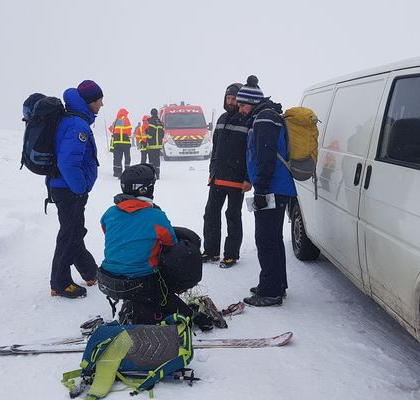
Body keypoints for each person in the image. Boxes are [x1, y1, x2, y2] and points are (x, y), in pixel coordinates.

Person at [97, 164, 211, 329]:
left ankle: (135, 306)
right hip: (138, 284)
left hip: (106, 279)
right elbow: (171, 244)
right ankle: (187, 314)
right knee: (169, 269)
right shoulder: (156, 217)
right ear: (147, 189)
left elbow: (109, 232)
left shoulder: (109, 213)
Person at [237, 75, 296, 307]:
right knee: (272, 238)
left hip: (271, 187)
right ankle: (276, 284)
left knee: (266, 239)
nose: (239, 108)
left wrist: (260, 188)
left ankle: (270, 291)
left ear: (252, 102)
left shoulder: (263, 119)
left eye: (242, 104)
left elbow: (265, 155)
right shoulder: (267, 115)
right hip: (276, 186)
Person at [48, 80, 103, 299]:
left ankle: (89, 271)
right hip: (69, 189)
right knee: (69, 235)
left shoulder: (73, 120)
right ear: (90, 101)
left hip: (65, 187)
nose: (101, 104)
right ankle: (59, 283)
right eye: (99, 100)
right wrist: (80, 188)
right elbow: (68, 163)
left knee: (74, 231)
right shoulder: (77, 126)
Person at [202, 83, 251, 268]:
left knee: (232, 216)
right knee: (211, 214)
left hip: (237, 180)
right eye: (228, 98)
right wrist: (211, 171)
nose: (230, 102)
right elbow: (215, 148)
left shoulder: (246, 120)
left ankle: (231, 254)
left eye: (234, 99)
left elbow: (250, 152)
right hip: (217, 178)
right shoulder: (222, 118)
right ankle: (211, 251)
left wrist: (248, 178)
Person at [108, 108, 133, 177]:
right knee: (127, 157)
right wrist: (128, 135)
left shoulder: (116, 120)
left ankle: (117, 173)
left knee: (118, 158)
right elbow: (129, 130)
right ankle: (127, 172)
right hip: (125, 143)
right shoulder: (125, 119)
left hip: (117, 143)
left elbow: (111, 129)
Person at [145, 108, 164, 179]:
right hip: (158, 145)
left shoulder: (151, 121)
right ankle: (157, 174)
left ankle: (152, 174)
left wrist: (146, 133)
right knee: (157, 160)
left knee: (151, 161)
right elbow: (162, 134)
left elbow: (150, 135)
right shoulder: (159, 122)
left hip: (152, 145)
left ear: (151, 113)